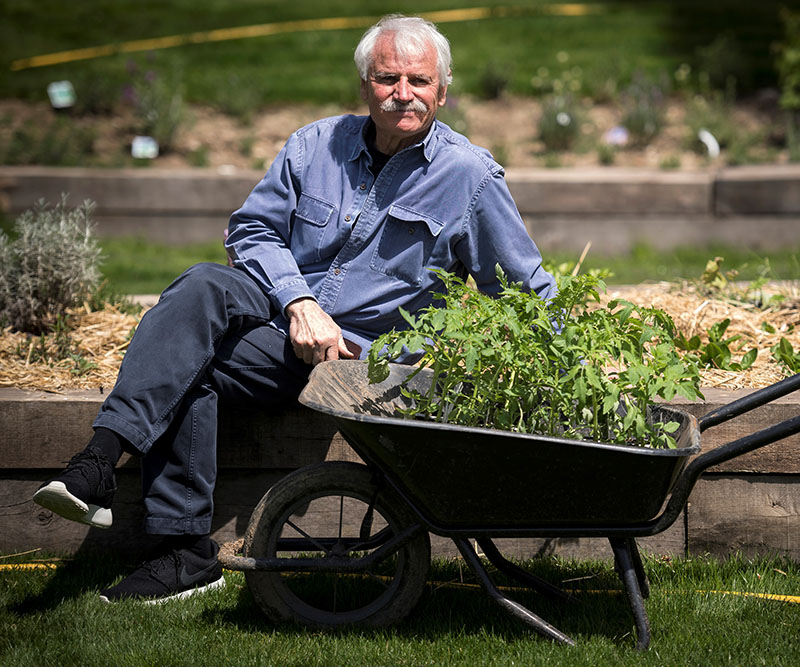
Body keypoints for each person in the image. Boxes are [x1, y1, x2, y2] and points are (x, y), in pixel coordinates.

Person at [32, 14, 556, 604]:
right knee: (203, 283)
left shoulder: (469, 177)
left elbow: (527, 293)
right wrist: (300, 301)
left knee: (187, 364)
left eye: (419, 80)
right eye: (388, 78)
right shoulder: (315, 145)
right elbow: (252, 230)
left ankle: (175, 546)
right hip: (278, 318)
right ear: (365, 84)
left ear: (443, 88)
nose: (403, 93)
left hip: (354, 362)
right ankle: (100, 464)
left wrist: (546, 368)